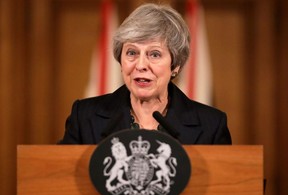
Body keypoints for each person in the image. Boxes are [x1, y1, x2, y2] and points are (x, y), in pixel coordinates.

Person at [58, 3, 232, 144]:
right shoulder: (84, 116)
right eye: (132, 53)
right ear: (120, 60)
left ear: (176, 65)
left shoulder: (211, 125)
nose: (140, 65)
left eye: (154, 54)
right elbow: (60, 179)